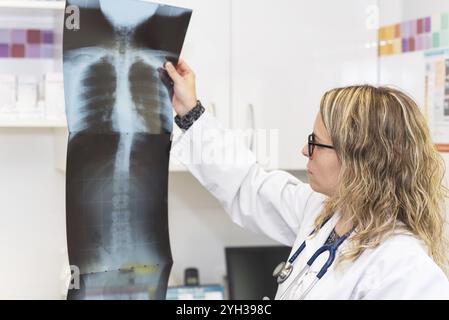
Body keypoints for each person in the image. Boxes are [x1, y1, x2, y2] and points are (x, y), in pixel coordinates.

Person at [164, 60, 449, 299]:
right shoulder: (322, 213)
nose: (304, 150)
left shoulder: (405, 271)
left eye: (316, 142)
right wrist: (191, 113)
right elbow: (248, 184)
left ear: (360, 160)